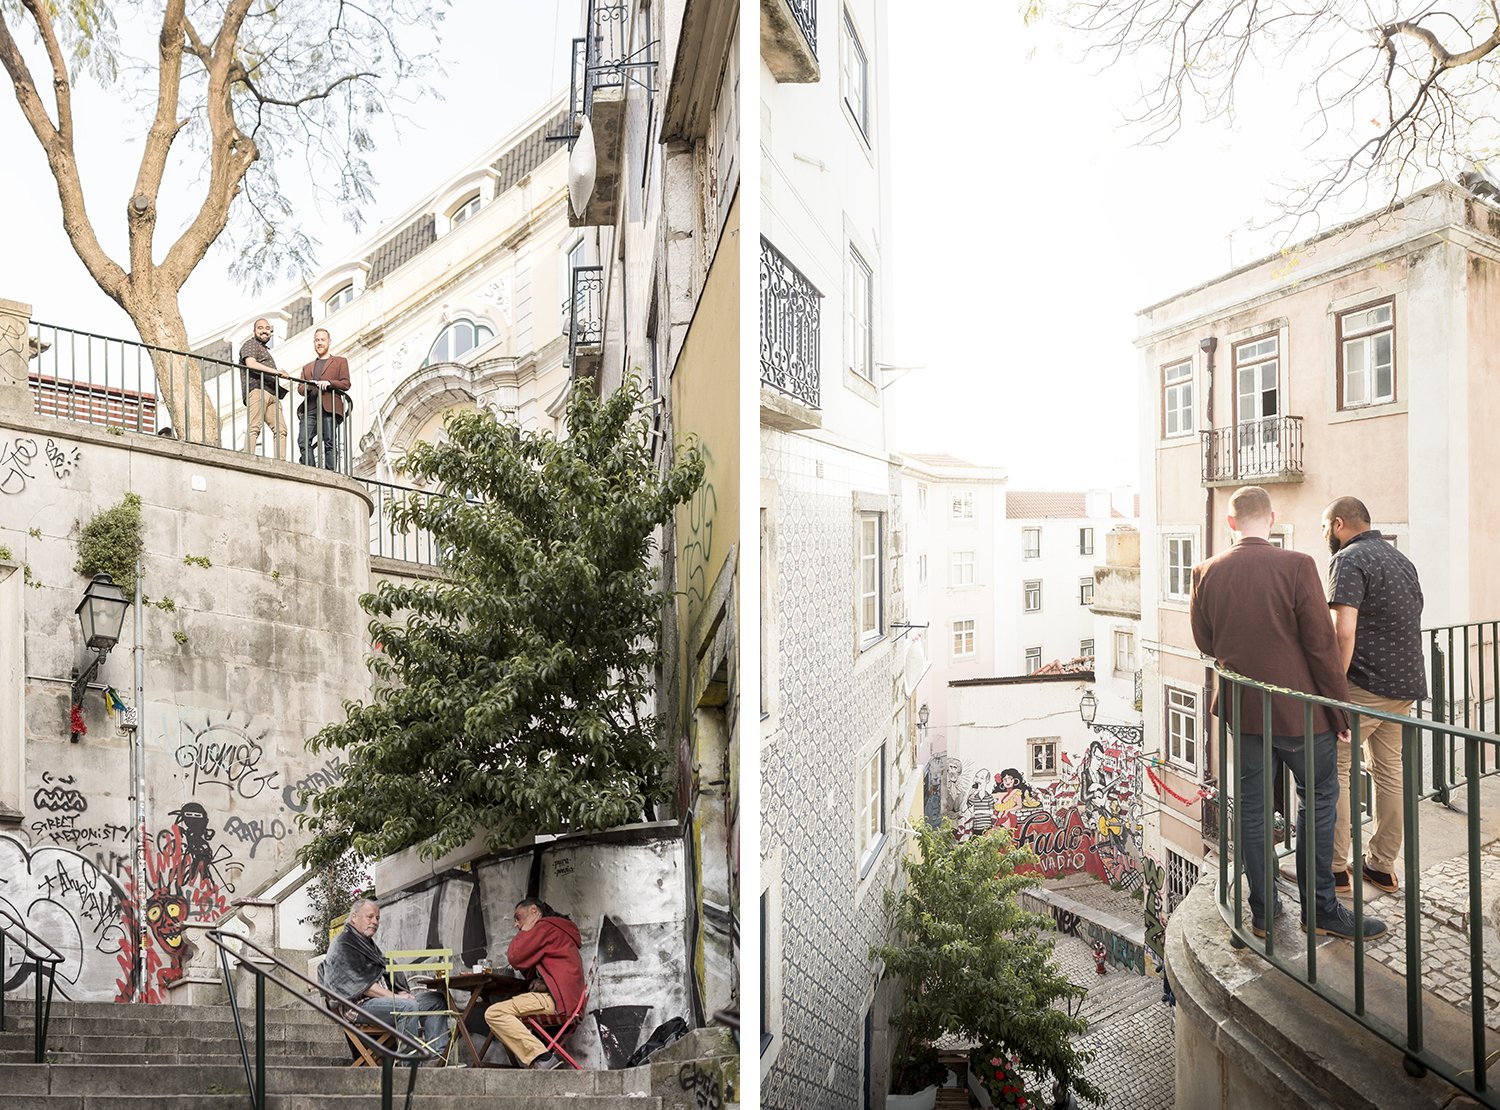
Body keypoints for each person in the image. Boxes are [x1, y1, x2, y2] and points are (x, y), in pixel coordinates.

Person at [1189, 485, 1386, 942]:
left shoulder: (1205, 572)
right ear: (1272, 520)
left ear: (1232, 523)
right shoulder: (1297, 565)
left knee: (1254, 809)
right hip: (1301, 714)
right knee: (1317, 802)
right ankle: (1320, 909)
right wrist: (1338, 709)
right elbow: (1321, 646)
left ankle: (1263, 911)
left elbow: (1206, 643)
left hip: (1245, 712)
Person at [1322, 496, 1427, 895]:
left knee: (1334, 769)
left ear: (1338, 523)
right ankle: (1382, 866)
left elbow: (1342, 630)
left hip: (1365, 687)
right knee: (1391, 773)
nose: (1326, 537)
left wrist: (1333, 686)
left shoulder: (1348, 559)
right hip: (1405, 686)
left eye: (1325, 529)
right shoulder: (1400, 559)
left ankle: (1333, 870)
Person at [319, 899, 450, 1061]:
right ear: (354, 918)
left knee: (436, 1000)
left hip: (382, 1001)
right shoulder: (343, 944)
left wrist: (400, 990)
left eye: (377, 918)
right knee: (406, 1006)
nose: (375, 921)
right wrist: (395, 997)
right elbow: (360, 984)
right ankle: (408, 1066)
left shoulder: (367, 943)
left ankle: (436, 1059)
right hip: (358, 1007)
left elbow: (383, 972)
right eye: (370, 917)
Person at [483, 899, 584, 1070]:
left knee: (494, 1013)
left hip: (558, 1001)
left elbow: (516, 956)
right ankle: (541, 1057)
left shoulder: (544, 927)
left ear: (534, 911)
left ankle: (543, 1057)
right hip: (565, 999)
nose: (516, 924)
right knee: (506, 1010)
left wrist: (527, 929)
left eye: (518, 917)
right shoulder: (555, 929)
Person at [296, 328, 351, 470]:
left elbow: (346, 384)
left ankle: (329, 472)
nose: (319, 343)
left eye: (322, 340)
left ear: (329, 342)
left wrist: (330, 383)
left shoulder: (340, 361)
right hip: (311, 408)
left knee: (329, 441)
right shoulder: (307, 367)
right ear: (314, 343)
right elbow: (300, 389)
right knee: (303, 440)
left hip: (329, 406)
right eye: (317, 340)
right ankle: (310, 470)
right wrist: (309, 385)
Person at [239, 318, 288, 460]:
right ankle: (248, 459)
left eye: (267, 328)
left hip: (272, 392)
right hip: (257, 389)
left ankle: (281, 463)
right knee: (254, 426)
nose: (264, 330)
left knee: (281, 430)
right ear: (254, 331)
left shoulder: (264, 350)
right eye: (260, 328)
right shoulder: (250, 344)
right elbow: (251, 364)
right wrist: (276, 372)